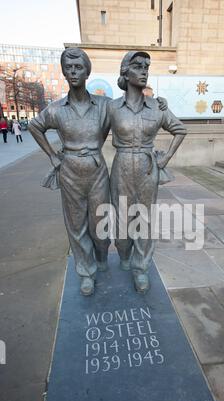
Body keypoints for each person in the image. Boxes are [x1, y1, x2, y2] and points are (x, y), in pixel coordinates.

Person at [28, 48, 111, 296]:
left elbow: (129, 108)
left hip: (97, 172)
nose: (73, 72)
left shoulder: (105, 105)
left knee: (100, 222)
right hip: (70, 172)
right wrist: (53, 156)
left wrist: (157, 102)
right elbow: (35, 126)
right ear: (64, 71)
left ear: (87, 71)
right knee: (76, 225)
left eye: (78, 67)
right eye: (69, 67)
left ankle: (102, 253)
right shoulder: (55, 109)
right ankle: (86, 271)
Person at [108, 51, 187, 294]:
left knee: (144, 220)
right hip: (120, 167)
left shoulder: (157, 106)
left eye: (147, 67)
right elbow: (92, 133)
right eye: (138, 66)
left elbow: (180, 130)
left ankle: (141, 267)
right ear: (125, 71)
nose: (144, 70)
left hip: (146, 168)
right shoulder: (111, 107)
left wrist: (166, 158)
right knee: (122, 223)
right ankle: (124, 251)